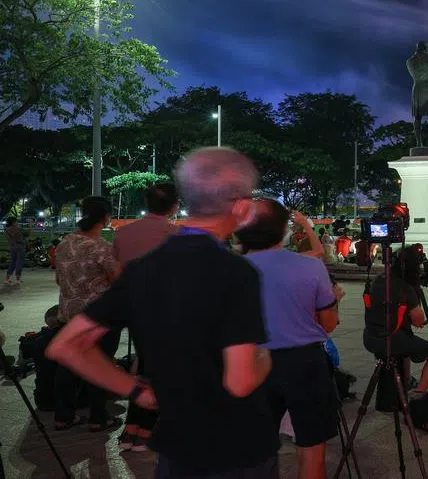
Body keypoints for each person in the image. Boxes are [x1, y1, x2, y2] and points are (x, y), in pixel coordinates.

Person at [48, 147, 279, 477]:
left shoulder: (143, 269)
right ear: (241, 207)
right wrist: (264, 359)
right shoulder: (234, 272)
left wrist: (136, 391)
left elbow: (66, 346)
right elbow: (240, 382)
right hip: (237, 445)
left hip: (176, 445)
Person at [241, 200, 345, 479]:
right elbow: (328, 324)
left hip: (250, 363)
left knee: (255, 450)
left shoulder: (231, 270)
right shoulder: (310, 267)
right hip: (304, 363)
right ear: (282, 230)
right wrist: (333, 302)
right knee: (311, 448)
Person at [112, 182, 179, 451]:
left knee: (146, 367)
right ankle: (144, 429)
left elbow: (116, 277)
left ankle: (133, 428)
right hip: (168, 315)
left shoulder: (123, 235)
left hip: (135, 312)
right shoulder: (177, 235)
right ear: (175, 206)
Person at [53, 196, 122, 431]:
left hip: (70, 315)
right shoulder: (101, 248)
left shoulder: (64, 244)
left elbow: (58, 279)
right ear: (105, 217)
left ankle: (64, 415)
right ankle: (99, 417)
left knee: (68, 366)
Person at [363, 245, 428, 396]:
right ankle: (419, 392)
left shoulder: (377, 280)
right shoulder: (405, 288)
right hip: (391, 340)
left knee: (405, 337)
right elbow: (418, 321)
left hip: (370, 336)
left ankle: (406, 379)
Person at [5, 216, 26, 285]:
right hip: (20, 246)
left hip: (12, 247)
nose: (17, 222)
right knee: (19, 262)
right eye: (16, 221)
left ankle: (8, 279)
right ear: (13, 222)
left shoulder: (7, 229)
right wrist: (30, 225)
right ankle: (17, 279)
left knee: (13, 262)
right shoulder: (18, 228)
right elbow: (27, 234)